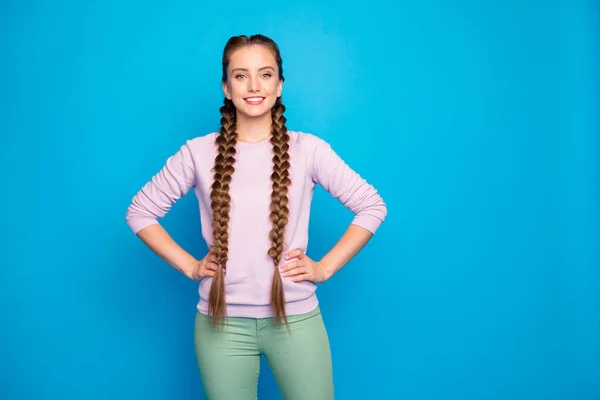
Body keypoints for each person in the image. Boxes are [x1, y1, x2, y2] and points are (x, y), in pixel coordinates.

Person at [125, 33, 387, 400]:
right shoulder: (197, 153)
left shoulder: (308, 149)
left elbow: (372, 205)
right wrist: (190, 266)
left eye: (265, 75)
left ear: (280, 85)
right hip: (220, 325)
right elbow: (140, 212)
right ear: (226, 88)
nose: (253, 86)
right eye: (240, 75)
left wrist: (324, 268)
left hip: (295, 320)